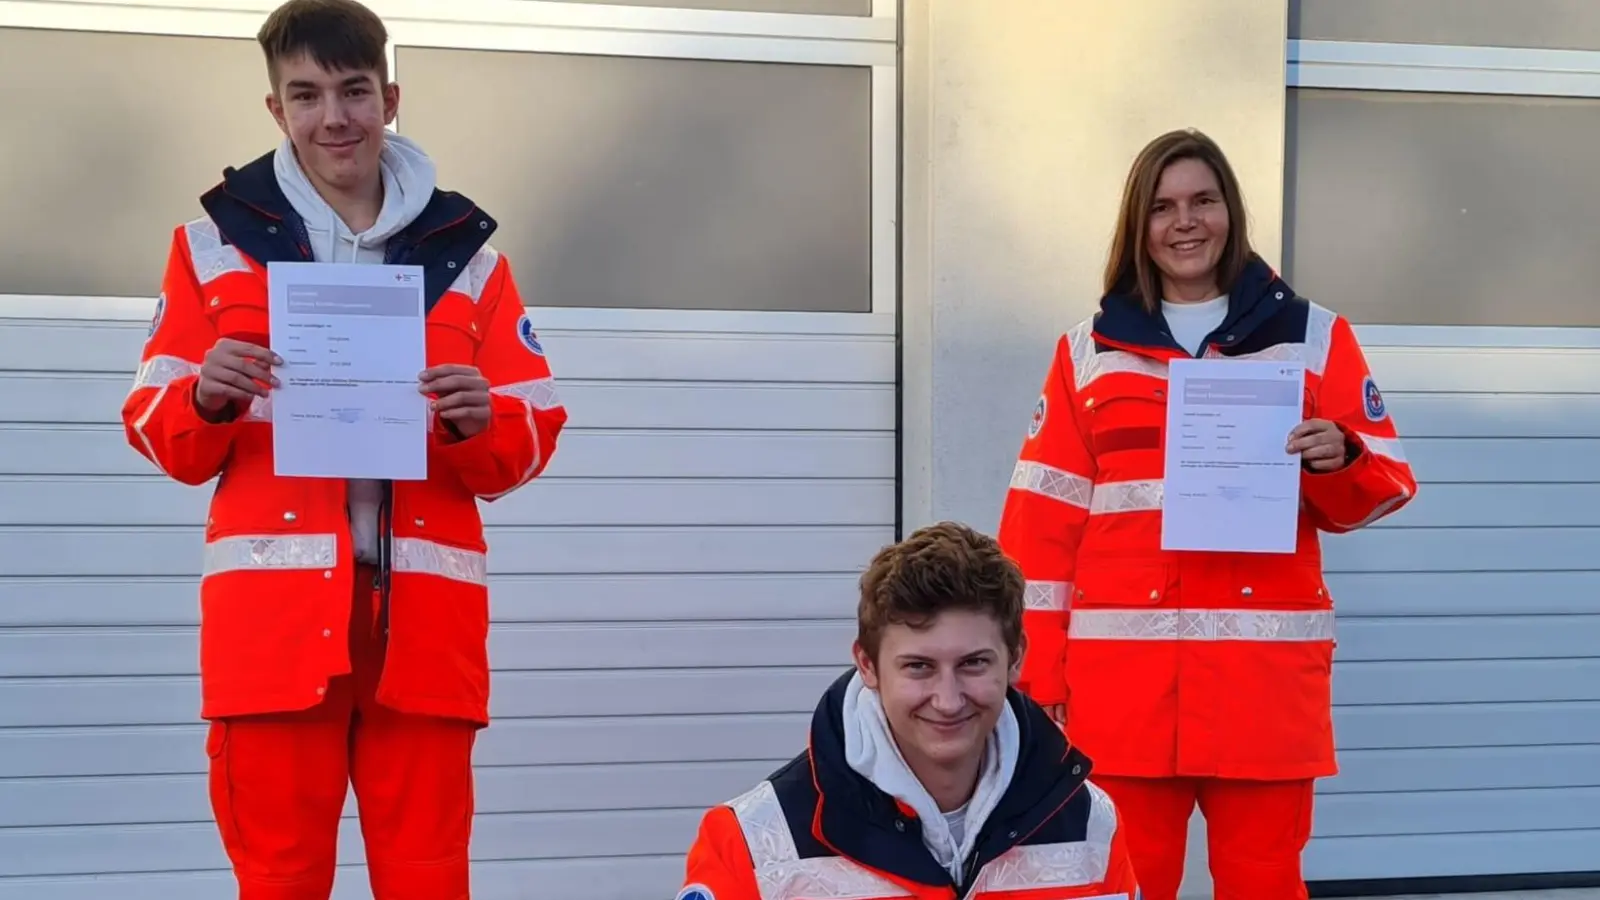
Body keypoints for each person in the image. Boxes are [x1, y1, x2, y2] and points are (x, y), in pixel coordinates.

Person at [118, 1, 568, 896]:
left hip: (424, 630)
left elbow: (532, 433)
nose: (335, 118)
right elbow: (155, 426)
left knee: (428, 880)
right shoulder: (211, 249)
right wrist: (205, 396)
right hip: (273, 628)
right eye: (308, 94)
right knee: (279, 878)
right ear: (275, 111)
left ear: (390, 98)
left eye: (355, 91)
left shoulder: (469, 256)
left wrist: (485, 421)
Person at [996, 128, 1417, 900]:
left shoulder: (1313, 338)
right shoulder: (1086, 352)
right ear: (1138, 226)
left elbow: (1385, 480)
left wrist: (1340, 456)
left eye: (1202, 200)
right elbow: (1040, 529)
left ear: (1231, 211)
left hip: (1262, 691)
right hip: (1122, 693)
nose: (1184, 222)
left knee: (1265, 886)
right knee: (1119, 886)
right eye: (1162, 207)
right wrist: (1035, 676)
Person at [676, 522, 1141, 900]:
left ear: (1016, 657)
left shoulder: (1089, 824)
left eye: (973, 663)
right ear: (867, 665)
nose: (948, 699)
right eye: (919, 667)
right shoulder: (755, 842)